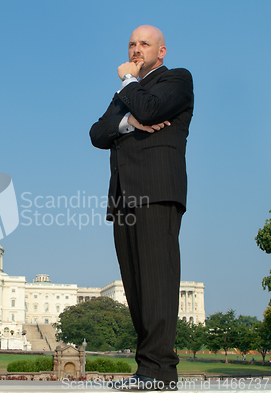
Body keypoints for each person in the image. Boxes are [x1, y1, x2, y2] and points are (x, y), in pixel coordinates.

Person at [89, 25, 194, 390]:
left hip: (156, 191)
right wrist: (126, 121)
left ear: (161, 51)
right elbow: (97, 133)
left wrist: (129, 84)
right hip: (124, 196)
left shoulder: (177, 80)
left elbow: (150, 110)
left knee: (157, 283)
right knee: (135, 286)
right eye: (132, 44)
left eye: (144, 44)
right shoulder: (126, 94)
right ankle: (146, 370)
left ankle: (161, 373)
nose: (136, 49)